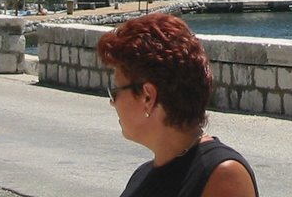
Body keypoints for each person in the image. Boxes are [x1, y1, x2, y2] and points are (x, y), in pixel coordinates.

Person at [97, 12, 259, 197]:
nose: (112, 102)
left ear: (148, 97)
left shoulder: (222, 175)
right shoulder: (142, 176)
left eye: (116, 91)